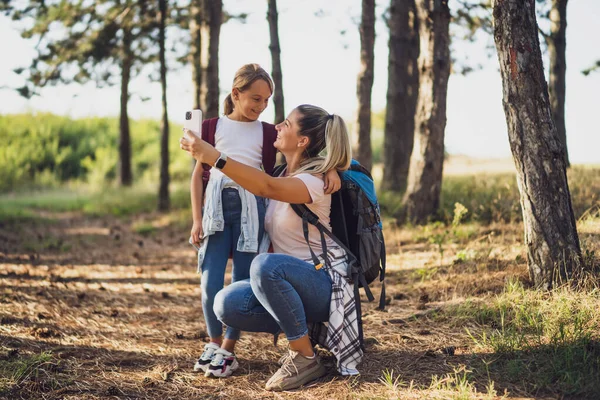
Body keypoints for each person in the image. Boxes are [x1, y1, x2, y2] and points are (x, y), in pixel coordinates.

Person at [180, 104, 363, 391]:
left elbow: (264, 187)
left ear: (303, 141)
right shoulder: (281, 172)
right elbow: (261, 183)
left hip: (323, 283)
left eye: (286, 124)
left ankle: (304, 357)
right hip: (290, 286)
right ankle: (307, 334)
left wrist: (214, 157)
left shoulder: (313, 181)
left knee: (265, 266)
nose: (277, 126)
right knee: (225, 303)